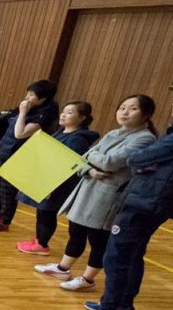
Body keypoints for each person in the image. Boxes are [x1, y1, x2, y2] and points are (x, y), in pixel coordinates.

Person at [81, 86, 173, 310]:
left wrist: (145, 164)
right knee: (134, 252)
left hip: (146, 202)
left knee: (116, 257)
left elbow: (136, 159)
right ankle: (123, 305)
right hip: (151, 199)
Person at [33, 95, 157, 292]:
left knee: (97, 239)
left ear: (146, 114)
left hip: (107, 197)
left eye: (132, 108)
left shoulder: (144, 139)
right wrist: (90, 169)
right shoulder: (113, 134)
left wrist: (92, 157)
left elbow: (111, 162)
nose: (124, 112)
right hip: (89, 189)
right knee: (76, 231)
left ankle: (88, 279)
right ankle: (63, 268)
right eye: (122, 107)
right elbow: (82, 159)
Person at [0, 80, 59, 232]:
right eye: (28, 93)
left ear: (43, 98)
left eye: (32, 94)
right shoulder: (29, 107)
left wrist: (23, 112)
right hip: (6, 152)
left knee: (8, 191)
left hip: (20, 157)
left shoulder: (45, 115)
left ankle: (4, 221)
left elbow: (20, 133)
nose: (27, 97)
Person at [16, 102, 98, 253]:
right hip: (46, 178)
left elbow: (66, 166)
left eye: (69, 112)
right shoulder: (61, 132)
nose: (63, 115)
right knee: (41, 211)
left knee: (48, 213)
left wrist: (50, 186)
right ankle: (38, 240)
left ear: (82, 117)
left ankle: (43, 244)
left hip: (57, 183)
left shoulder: (77, 139)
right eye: (64, 111)